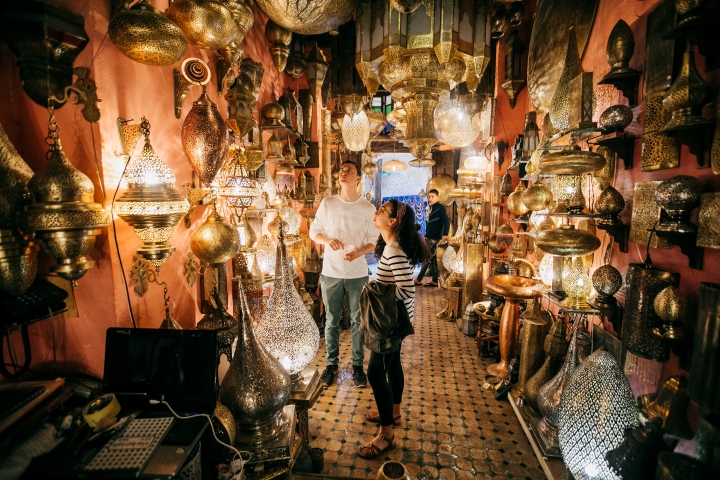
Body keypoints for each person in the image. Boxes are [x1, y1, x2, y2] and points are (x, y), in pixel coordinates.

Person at [358, 200, 427, 459]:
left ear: (393, 221)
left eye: (382, 211)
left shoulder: (395, 250)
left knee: (375, 373)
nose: (376, 213)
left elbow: (407, 290)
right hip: (396, 320)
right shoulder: (392, 247)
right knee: (392, 365)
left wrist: (377, 291)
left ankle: (386, 434)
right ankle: (394, 412)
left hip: (390, 324)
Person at [309, 160, 379, 387]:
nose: (343, 172)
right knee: (331, 321)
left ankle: (358, 366)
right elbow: (314, 232)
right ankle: (331, 365)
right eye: (341, 170)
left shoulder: (368, 209)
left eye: (349, 170)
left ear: (358, 178)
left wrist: (359, 253)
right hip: (331, 272)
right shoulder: (328, 203)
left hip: (357, 274)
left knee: (359, 321)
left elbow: (373, 242)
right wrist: (328, 240)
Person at [415, 189, 449, 287]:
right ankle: (434, 280)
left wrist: (445, 233)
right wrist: (426, 235)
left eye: (432, 197)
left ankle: (419, 279)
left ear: (437, 197)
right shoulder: (429, 208)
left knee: (426, 257)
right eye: (429, 197)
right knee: (432, 258)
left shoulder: (441, 208)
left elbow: (446, 221)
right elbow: (429, 223)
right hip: (429, 236)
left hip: (436, 237)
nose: (430, 198)